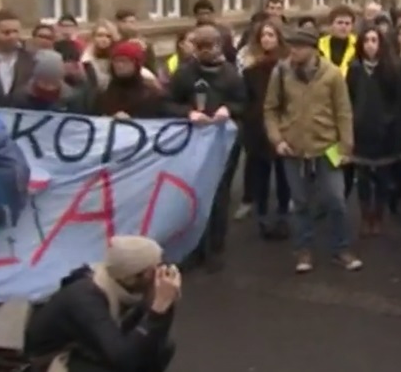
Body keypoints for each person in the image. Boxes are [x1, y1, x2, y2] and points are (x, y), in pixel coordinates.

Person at [263, 28, 362, 273]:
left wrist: (345, 146)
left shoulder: (332, 74)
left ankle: (341, 249)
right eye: (291, 46)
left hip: (327, 147)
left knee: (336, 200)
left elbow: (343, 111)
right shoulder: (281, 72)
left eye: (298, 46)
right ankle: (303, 250)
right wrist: (277, 140)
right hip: (294, 148)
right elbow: (270, 109)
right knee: (301, 203)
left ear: (312, 49)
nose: (293, 50)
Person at [24, 236, 179, 372]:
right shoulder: (86, 299)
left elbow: (150, 334)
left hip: (84, 341)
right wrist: (157, 309)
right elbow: (124, 360)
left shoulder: (117, 283)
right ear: (138, 276)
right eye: (155, 269)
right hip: (52, 357)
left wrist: (164, 302)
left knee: (161, 348)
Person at [165, 25, 245, 271]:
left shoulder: (231, 75)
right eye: (200, 47)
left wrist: (228, 109)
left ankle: (215, 248)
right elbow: (167, 103)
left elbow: (244, 103)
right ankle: (193, 247)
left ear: (220, 46)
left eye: (210, 46)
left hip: (221, 142)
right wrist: (187, 113)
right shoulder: (183, 74)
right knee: (192, 193)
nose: (205, 52)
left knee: (219, 195)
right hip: (191, 142)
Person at [345, 27, 401, 236]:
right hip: (361, 130)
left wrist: (391, 121)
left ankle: (378, 215)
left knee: (382, 177)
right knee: (363, 178)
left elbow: (399, 100)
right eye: (366, 41)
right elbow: (349, 98)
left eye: (374, 40)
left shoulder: (392, 69)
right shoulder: (354, 69)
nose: (370, 44)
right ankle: (365, 216)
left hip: (385, 132)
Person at [239, 20, 291, 239]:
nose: (267, 39)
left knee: (284, 174)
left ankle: (283, 215)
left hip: (284, 127)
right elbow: (246, 99)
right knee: (260, 174)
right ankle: (261, 216)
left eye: (271, 35)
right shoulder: (251, 70)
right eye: (263, 36)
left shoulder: (288, 68)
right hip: (257, 128)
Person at [93, 40, 166, 118]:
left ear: (136, 64)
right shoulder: (104, 92)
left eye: (124, 61)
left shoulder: (150, 94)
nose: (120, 65)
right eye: (116, 61)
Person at [9, 49, 90, 113]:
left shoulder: (73, 99)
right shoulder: (20, 97)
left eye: (54, 83)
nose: (49, 88)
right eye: (44, 83)